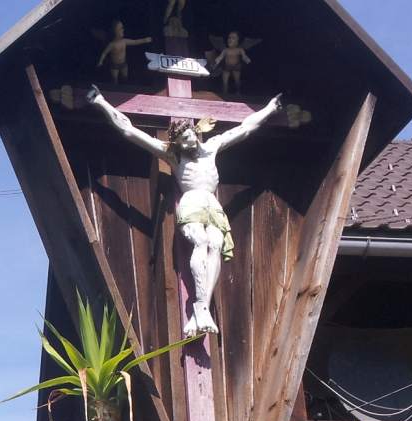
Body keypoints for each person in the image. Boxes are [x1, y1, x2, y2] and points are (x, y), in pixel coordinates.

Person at [86, 86, 283, 336]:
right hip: (191, 202)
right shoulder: (174, 157)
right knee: (200, 242)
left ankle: (202, 307)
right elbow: (129, 129)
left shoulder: (212, 147)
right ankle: (199, 309)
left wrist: (268, 109)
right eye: (181, 141)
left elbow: (245, 128)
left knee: (216, 244)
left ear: (195, 132)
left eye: (188, 137)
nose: (187, 143)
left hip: (212, 204)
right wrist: (102, 102)